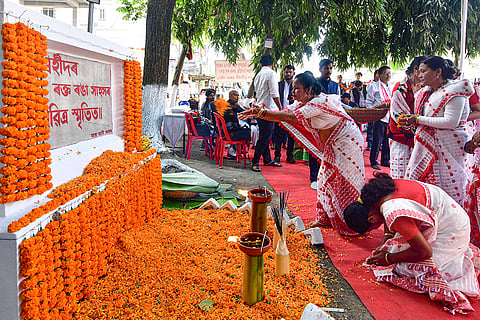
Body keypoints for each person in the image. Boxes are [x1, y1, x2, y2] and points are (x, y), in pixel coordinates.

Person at [239, 72, 365, 236]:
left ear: (309, 89)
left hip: (347, 143)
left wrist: (262, 114)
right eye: (292, 89)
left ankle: (349, 222)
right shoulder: (303, 103)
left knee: (343, 182)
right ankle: (325, 218)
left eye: (297, 89)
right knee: (324, 179)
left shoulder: (319, 101)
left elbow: (290, 117)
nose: (293, 92)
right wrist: (260, 110)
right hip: (332, 145)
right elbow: (284, 112)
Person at [343, 173, 480, 314]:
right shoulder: (379, 193)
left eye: (373, 228)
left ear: (371, 219)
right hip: (450, 214)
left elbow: (425, 252)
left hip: (453, 231)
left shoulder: (392, 210)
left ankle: (455, 265)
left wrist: (387, 258)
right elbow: (387, 218)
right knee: (395, 248)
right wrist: (385, 244)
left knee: (404, 270)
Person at [398, 56, 474, 206]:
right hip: (428, 149)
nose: (419, 75)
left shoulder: (454, 91)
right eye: (419, 72)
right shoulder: (427, 92)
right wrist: (412, 121)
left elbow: (450, 122)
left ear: (438, 72)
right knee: (425, 191)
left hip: (447, 149)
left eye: (423, 71)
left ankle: (448, 221)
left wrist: (418, 119)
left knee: (447, 190)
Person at [387, 56, 426, 179]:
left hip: (419, 139)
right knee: (400, 174)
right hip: (401, 138)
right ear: (416, 69)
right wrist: (422, 126)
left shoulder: (426, 89)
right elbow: (399, 117)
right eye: (424, 71)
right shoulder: (401, 88)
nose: (425, 75)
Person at [308, 59, 339, 190]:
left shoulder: (335, 85)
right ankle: (314, 177)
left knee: (330, 150)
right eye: (326, 68)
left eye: (331, 68)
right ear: (320, 69)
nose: (329, 71)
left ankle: (326, 176)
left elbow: (337, 102)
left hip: (331, 121)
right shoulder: (314, 83)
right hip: (317, 120)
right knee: (315, 148)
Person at [250, 54, 283, 172]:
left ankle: (267, 159)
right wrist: (281, 109)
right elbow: (275, 93)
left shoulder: (258, 75)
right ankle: (255, 161)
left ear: (261, 64)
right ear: (272, 64)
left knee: (265, 135)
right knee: (265, 137)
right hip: (268, 110)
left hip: (260, 108)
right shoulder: (271, 73)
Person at [366, 66, 392, 170]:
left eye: (389, 73)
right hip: (378, 116)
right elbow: (369, 102)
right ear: (379, 75)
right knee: (377, 140)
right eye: (386, 73)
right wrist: (372, 113)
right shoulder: (374, 86)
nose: (388, 75)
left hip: (389, 116)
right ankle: (374, 161)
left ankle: (385, 160)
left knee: (387, 141)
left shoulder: (390, 86)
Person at [214, 90, 251, 159]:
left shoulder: (228, 104)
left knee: (245, 129)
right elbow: (242, 112)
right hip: (228, 133)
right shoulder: (231, 105)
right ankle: (233, 150)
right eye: (235, 95)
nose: (237, 97)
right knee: (248, 132)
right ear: (230, 96)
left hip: (223, 131)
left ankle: (234, 150)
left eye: (238, 95)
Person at [274, 65, 297, 164]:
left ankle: (290, 156)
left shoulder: (296, 85)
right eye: (286, 72)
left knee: (291, 136)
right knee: (278, 136)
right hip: (280, 113)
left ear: (293, 73)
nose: (288, 74)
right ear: (284, 73)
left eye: (290, 72)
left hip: (292, 114)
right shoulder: (278, 84)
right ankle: (277, 155)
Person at [365, 70, 380, 150]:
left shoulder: (382, 85)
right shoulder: (371, 85)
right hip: (372, 110)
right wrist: (370, 110)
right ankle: (370, 143)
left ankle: (377, 144)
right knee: (371, 127)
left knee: (378, 129)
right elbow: (369, 99)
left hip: (380, 111)